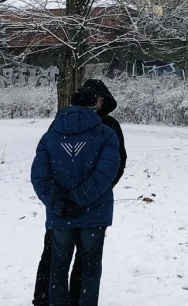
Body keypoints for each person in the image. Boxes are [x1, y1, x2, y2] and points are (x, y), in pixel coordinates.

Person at [33, 80, 127, 306]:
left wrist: (61, 201)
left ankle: (59, 299)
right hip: (90, 209)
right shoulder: (106, 133)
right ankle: (50, 299)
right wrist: (84, 197)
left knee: (60, 263)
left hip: (66, 210)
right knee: (85, 264)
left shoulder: (55, 131)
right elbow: (110, 169)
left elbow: (41, 175)